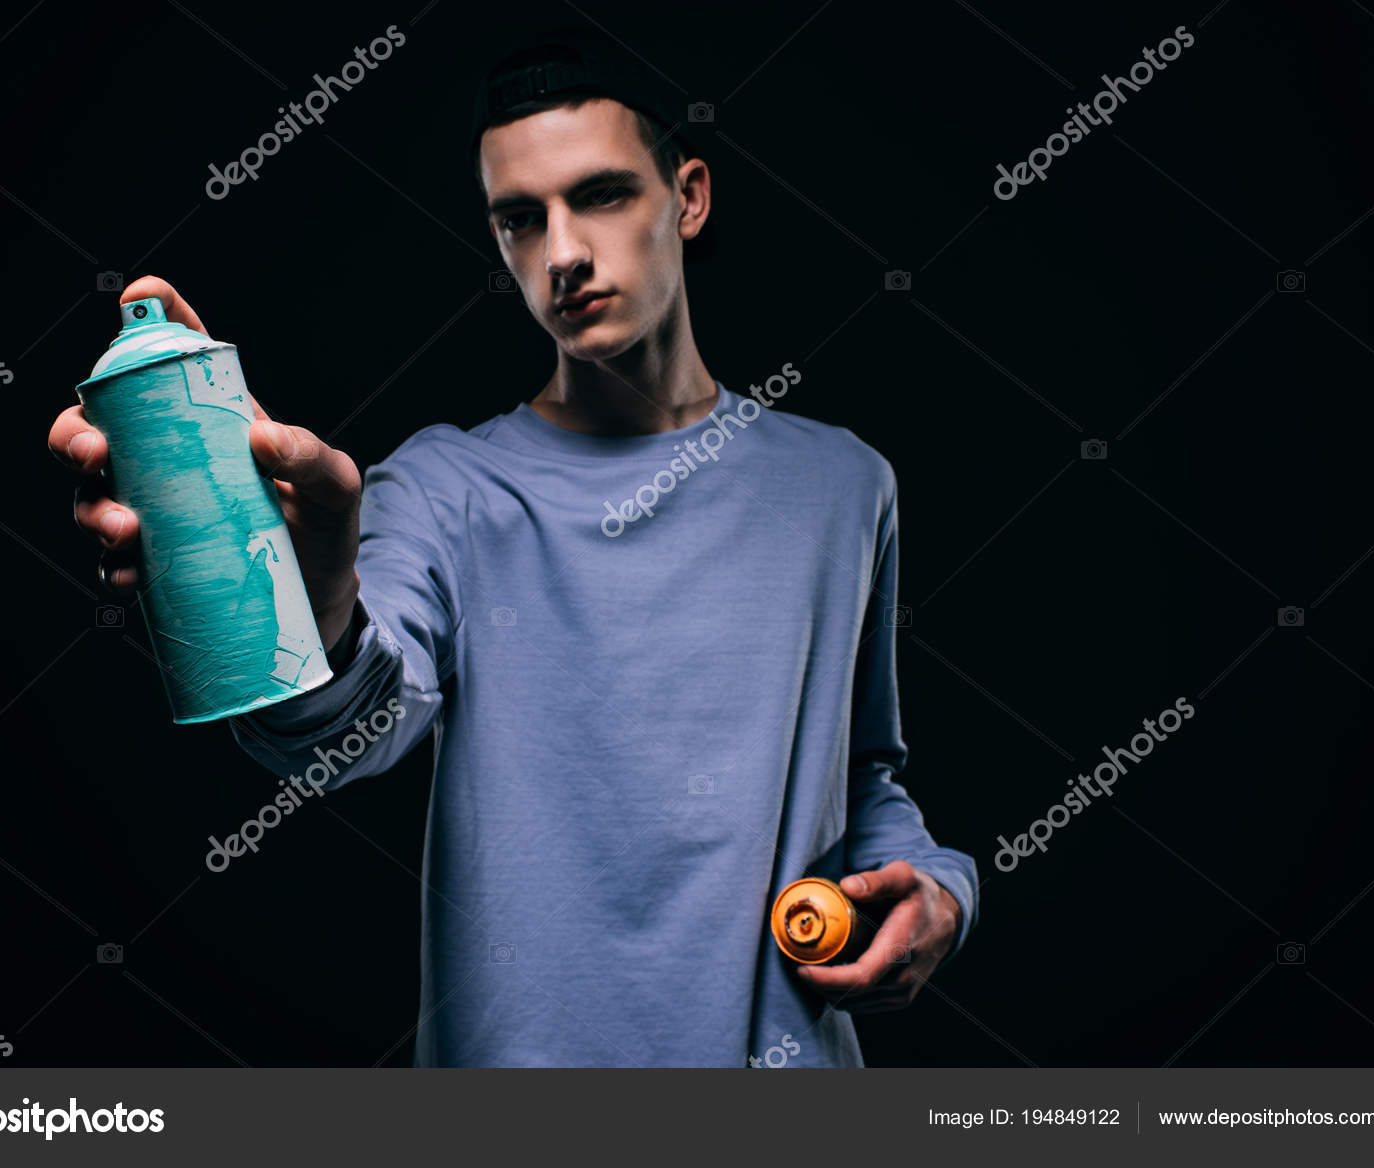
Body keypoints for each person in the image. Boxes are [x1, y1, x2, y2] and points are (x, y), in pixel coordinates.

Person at [48, 28, 978, 1067]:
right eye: (520, 220)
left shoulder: (842, 485)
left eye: (603, 195)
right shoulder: (444, 490)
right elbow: (340, 730)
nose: (563, 252)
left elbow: (861, 774)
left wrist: (939, 888)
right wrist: (289, 582)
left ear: (690, 196)